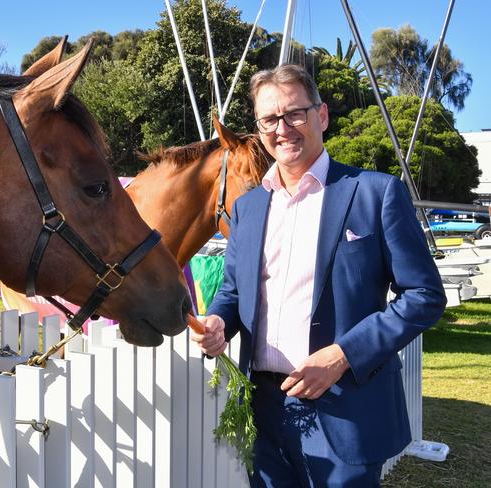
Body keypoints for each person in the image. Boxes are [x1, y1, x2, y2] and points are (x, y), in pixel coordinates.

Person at [191, 64, 446, 487]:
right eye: (269, 119)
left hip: (347, 409)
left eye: (294, 113)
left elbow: (423, 295)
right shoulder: (249, 208)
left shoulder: (375, 192)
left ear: (321, 116)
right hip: (266, 411)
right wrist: (218, 321)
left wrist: (342, 355)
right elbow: (233, 292)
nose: (282, 128)